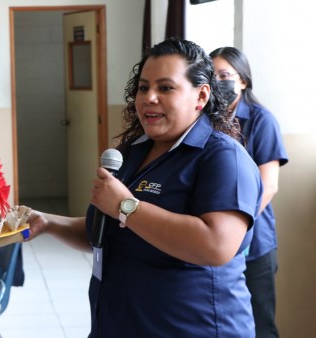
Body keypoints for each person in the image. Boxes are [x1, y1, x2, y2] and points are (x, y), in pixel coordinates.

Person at [26, 38, 263, 338]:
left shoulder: (223, 158)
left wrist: (127, 206)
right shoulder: (132, 152)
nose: (149, 97)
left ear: (201, 95)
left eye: (165, 88)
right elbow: (110, 233)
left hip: (191, 328)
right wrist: (48, 223)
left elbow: (217, 245)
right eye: (143, 87)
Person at [210, 47, 289, 338]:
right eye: (212, 74)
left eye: (225, 75)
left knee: (260, 324)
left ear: (243, 80)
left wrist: (235, 228)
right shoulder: (205, 119)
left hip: (253, 245)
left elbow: (269, 185)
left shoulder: (261, 120)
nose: (219, 81)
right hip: (212, 243)